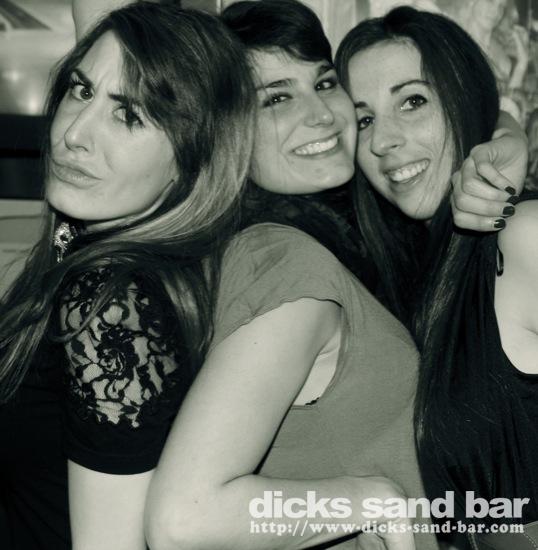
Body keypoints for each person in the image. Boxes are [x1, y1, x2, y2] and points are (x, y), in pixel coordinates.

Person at [140, 2, 529, 550]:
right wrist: (369, 503)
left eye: (324, 84)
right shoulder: (283, 259)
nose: (326, 116)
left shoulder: (394, 247)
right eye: (276, 98)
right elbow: (184, 519)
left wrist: (504, 134)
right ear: (225, 132)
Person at [0, 3, 255, 549]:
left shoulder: (109, 300)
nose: (73, 133)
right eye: (81, 90)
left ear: (192, 158)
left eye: (129, 115)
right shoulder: (104, 259)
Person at [335, 6, 538, 548]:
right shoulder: (410, 266)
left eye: (413, 101)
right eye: (364, 120)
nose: (383, 141)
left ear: (462, 98)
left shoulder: (523, 235)